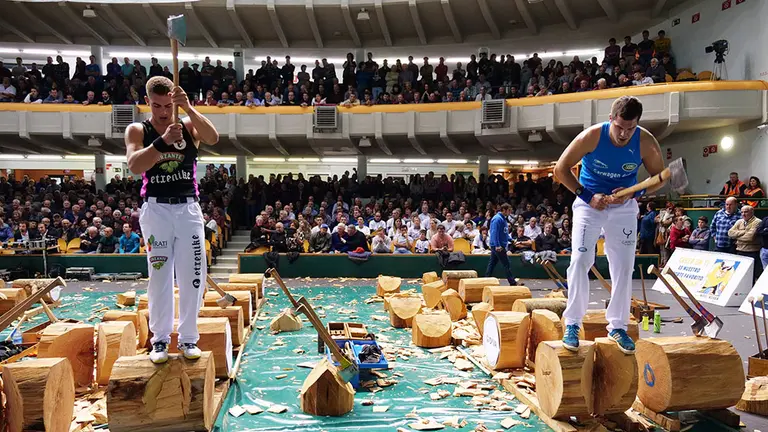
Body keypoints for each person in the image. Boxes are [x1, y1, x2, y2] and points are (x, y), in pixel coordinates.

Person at [554, 96, 666, 355]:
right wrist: (587, 196)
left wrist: (634, 193)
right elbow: (561, 169)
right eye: (619, 127)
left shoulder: (646, 141)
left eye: (630, 128)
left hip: (624, 207)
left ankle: (617, 326)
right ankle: (572, 323)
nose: (624, 134)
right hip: (589, 204)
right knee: (581, 260)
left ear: (637, 124)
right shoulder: (591, 136)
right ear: (611, 119)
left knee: (623, 267)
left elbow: (658, 178)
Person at [124, 75, 219, 364]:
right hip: (156, 211)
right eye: (156, 106)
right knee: (160, 277)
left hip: (188, 208)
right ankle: (160, 340)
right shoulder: (138, 129)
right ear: (147, 102)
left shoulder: (187, 125)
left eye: (168, 106)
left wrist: (188, 107)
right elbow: (134, 165)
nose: (163, 112)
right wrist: (162, 142)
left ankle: (189, 337)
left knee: (193, 275)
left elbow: (213, 137)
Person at [728, 205, 762, 282]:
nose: (743, 214)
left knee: (751, 275)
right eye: (742, 212)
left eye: (746, 212)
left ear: (752, 212)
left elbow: (749, 237)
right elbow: (730, 233)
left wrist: (737, 237)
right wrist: (743, 232)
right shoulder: (739, 221)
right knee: (740, 274)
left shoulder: (757, 222)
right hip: (739, 251)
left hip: (752, 252)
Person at [485, 203, 517, 285]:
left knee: (492, 263)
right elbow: (494, 233)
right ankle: (512, 282)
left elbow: (504, 233)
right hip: (498, 246)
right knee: (506, 264)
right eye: (509, 210)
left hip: (498, 245)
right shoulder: (497, 219)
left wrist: (511, 240)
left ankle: (486, 280)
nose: (510, 212)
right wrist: (497, 245)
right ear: (504, 210)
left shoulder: (503, 219)